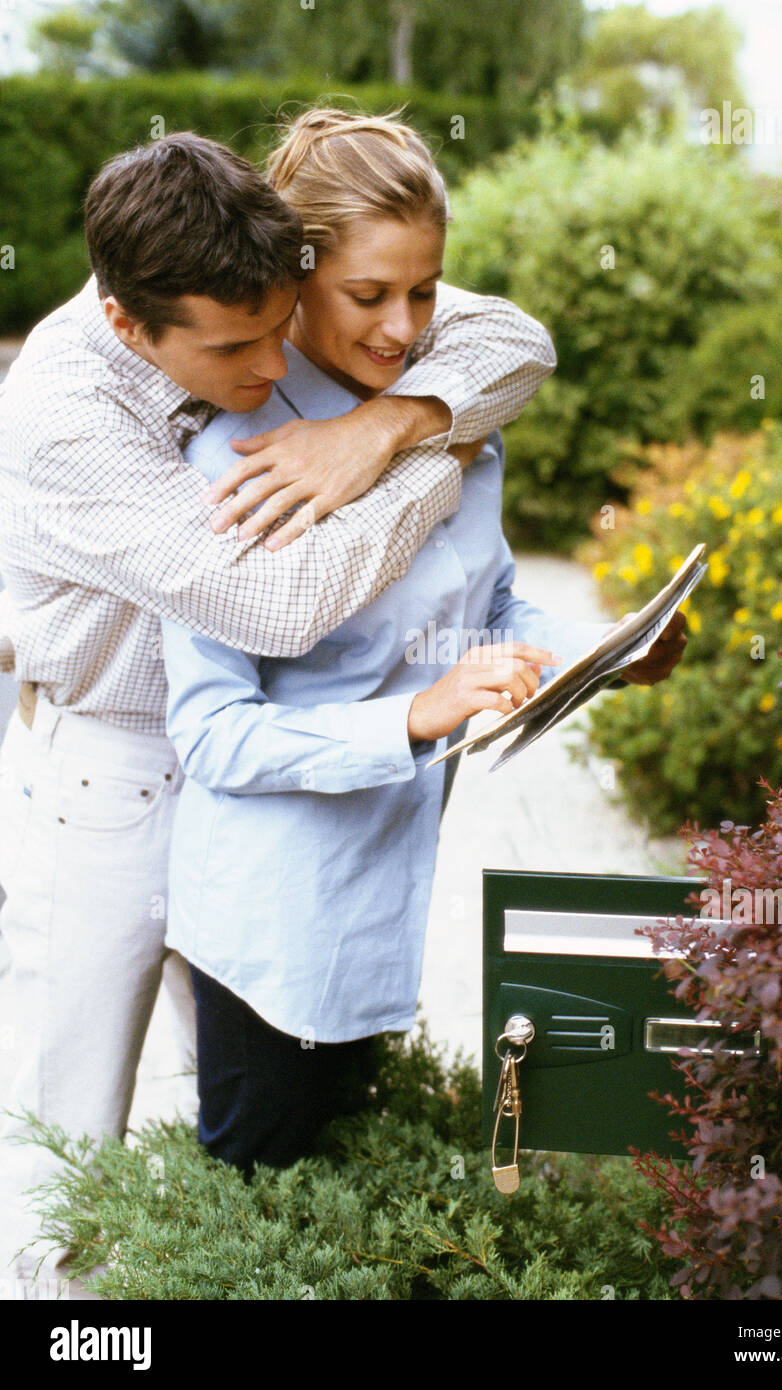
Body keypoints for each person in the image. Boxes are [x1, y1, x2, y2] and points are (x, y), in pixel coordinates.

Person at [0, 129, 557, 1294]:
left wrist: (382, 422)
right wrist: (437, 456)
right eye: (237, 345)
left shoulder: (249, 278)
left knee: (255, 1112)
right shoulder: (66, 413)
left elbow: (513, 337)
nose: (272, 364)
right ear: (132, 329)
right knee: (68, 1125)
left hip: (257, 781)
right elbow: (279, 595)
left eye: (281, 320)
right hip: (118, 766)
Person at [160, 109, 688, 1175]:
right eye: (369, 295)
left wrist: (603, 650)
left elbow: (486, 607)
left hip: (387, 886)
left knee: (346, 1198)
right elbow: (211, 734)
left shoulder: (451, 419)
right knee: (256, 1209)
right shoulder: (233, 459)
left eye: (425, 290)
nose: (405, 327)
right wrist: (417, 712)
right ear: (292, 277)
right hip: (268, 922)